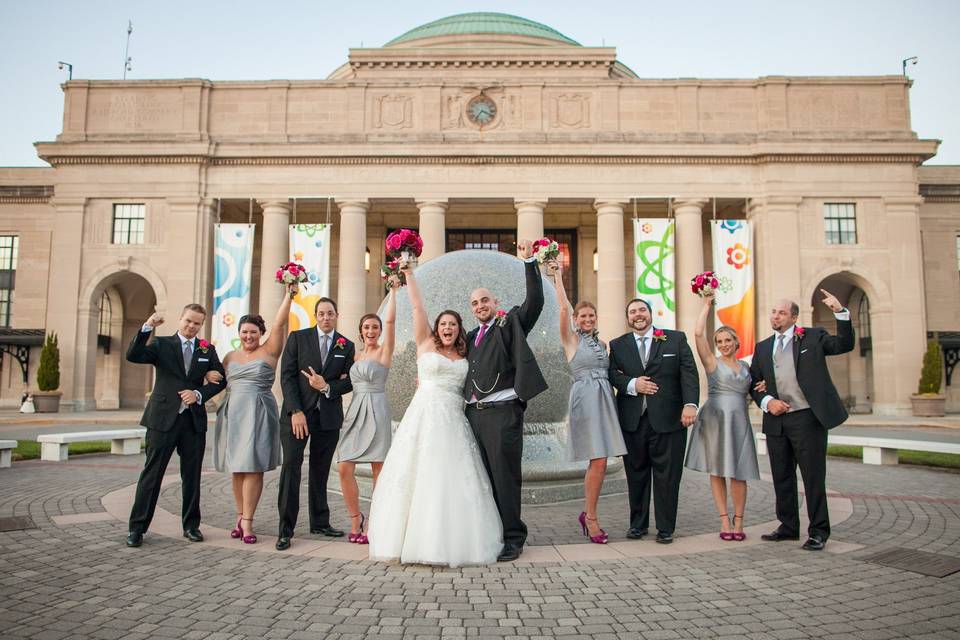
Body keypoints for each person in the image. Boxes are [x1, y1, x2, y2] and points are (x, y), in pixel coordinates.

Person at [367, 265, 502, 567]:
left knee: (451, 478)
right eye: (443, 323)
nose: (448, 328)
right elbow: (417, 306)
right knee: (415, 474)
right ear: (436, 327)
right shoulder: (425, 344)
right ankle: (405, 540)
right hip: (423, 418)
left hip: (454, 421)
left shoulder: (466, 356)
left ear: (459, 328)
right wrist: (408, 274)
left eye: (453, 324)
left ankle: (450, 541)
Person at [463, 240, 548, 562]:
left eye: (485, 300)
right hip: (474, 415)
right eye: (474, 302)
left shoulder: (509, 323)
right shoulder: (470, 337)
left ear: (495, 302)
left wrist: (529, 264)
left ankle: (513, 537)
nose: (480, 305)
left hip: (503, 414)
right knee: (483, 479)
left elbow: (535, 302)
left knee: (504, 478)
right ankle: (491, 533)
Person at [750, 290, 854, 551]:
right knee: (781, 476)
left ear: (794, 317)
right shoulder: (763, 347)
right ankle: (787, 527)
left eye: (782, 312)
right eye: (774, 312)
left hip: (807, 418)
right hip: (776, 420)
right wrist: (767, 402)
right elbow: (754, 383)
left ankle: (818, 531)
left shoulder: (813, 336)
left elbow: (844, 344)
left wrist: (839, 312)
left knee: (812, 477)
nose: (776, 316)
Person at [124, 304, 227, 548]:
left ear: (202, 325)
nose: (192, 326)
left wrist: (199, 393)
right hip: (162, 420)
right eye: (188, 321)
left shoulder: (206, 349)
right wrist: (147, 327)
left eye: (197, 323)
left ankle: (191, 526)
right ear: (181, 320)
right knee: (152, 474)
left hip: (193, 422)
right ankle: (137, 528)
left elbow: (220, 380)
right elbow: (133, 354)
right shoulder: (161, 345)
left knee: (191, 476)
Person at [210, 283, 295, 544]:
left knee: (254, 467)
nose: (249, 336)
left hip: (258, 412)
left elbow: (280, 325)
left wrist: (288, 296)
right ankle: (240, 515)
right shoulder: (228, 357)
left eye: (253, 332)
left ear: (261, 333)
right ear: (239, 333)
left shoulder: (269, 351)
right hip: (233, 413)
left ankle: (248, 521)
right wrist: (209, 378)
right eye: (245, 332)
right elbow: (217, 382)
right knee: (237, 468)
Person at [608, 299, 699, 544]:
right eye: (632, 312)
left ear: (650, 313)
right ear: (628, 317)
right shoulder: (618, 345)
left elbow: (688, 373)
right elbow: (612, 374)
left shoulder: (675, 339)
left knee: (667, 477)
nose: (638, 315)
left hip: (669, 420)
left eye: (642, 310)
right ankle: (637, 525)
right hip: (633, 421)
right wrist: (632, 384)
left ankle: (666, 527)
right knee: (636, 475)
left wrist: (690, 404)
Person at [548, 261, 626, 544]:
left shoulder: (602, 345)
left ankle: (589, 513)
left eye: (591, 315)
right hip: (585, 398)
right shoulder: (570, 339)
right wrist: (557, 275)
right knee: (599, 460)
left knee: (603, 461)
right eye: (582, 315)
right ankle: (590, 517)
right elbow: (562, 309)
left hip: (605, 399)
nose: (587, 319)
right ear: (576, 319)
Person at [275, 297, 355, 551]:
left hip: (328, 417)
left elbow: (350, 381)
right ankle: (285, 529)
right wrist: (295, 410)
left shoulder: (347, 345)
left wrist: (329, 386)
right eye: (321, 314)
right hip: (297, 416)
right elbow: (287, 377)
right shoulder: (298, 339)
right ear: (315, 315)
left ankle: (320, 522)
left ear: (336, 315)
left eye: (330, 313)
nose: (325, 318)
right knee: (291, 468)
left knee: (320, 471)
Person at [684, 290, 761, 541]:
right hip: (716, 420)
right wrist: (706, 304)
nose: (723, 345)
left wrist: (764, 386)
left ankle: (739, 521)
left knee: (739, 471)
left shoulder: (747, 368)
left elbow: (755, 389)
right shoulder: (712, 363)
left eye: (728, 340)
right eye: (720, 342)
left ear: (736, 342)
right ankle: (724, 521)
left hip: (739, 421)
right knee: (717, 470)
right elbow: (697, 334)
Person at [336, 286, 397, 544]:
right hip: (355, 411)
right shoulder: (355, 355)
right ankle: (355, 518)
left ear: (380, 330)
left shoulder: (384, 351)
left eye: (375, 327)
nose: (371, 331)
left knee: (378, 470)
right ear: (360, 331)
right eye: (367, 327)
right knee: (343, 467)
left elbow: (392, 319)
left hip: (377, 408)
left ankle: (375, 521)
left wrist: (394, 291)